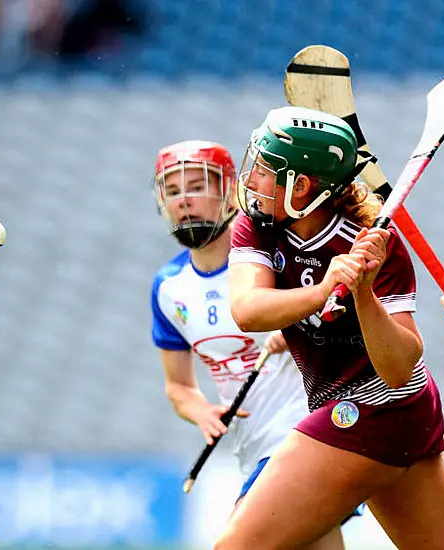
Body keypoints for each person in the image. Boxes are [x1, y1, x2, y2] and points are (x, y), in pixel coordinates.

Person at [216, 106, 444, 550]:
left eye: (265, 169)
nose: (252, 179)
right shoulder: (257, 227)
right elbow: (248, 309)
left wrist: (364, 292)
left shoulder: (376, 245)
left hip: (380, 408)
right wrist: (323, 291)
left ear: (300, 186)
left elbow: (399, 365)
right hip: (364, 411)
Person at [148, 140, 346, 550]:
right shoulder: (169, 289)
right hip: (254, 448)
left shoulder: (277, 256)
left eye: (198, 185)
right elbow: (178, 387)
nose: (184, 200)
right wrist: (201, 411)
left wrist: (298, 326)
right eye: (172, 190)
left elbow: (340, 311)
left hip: (306, 435)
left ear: (230, 190)